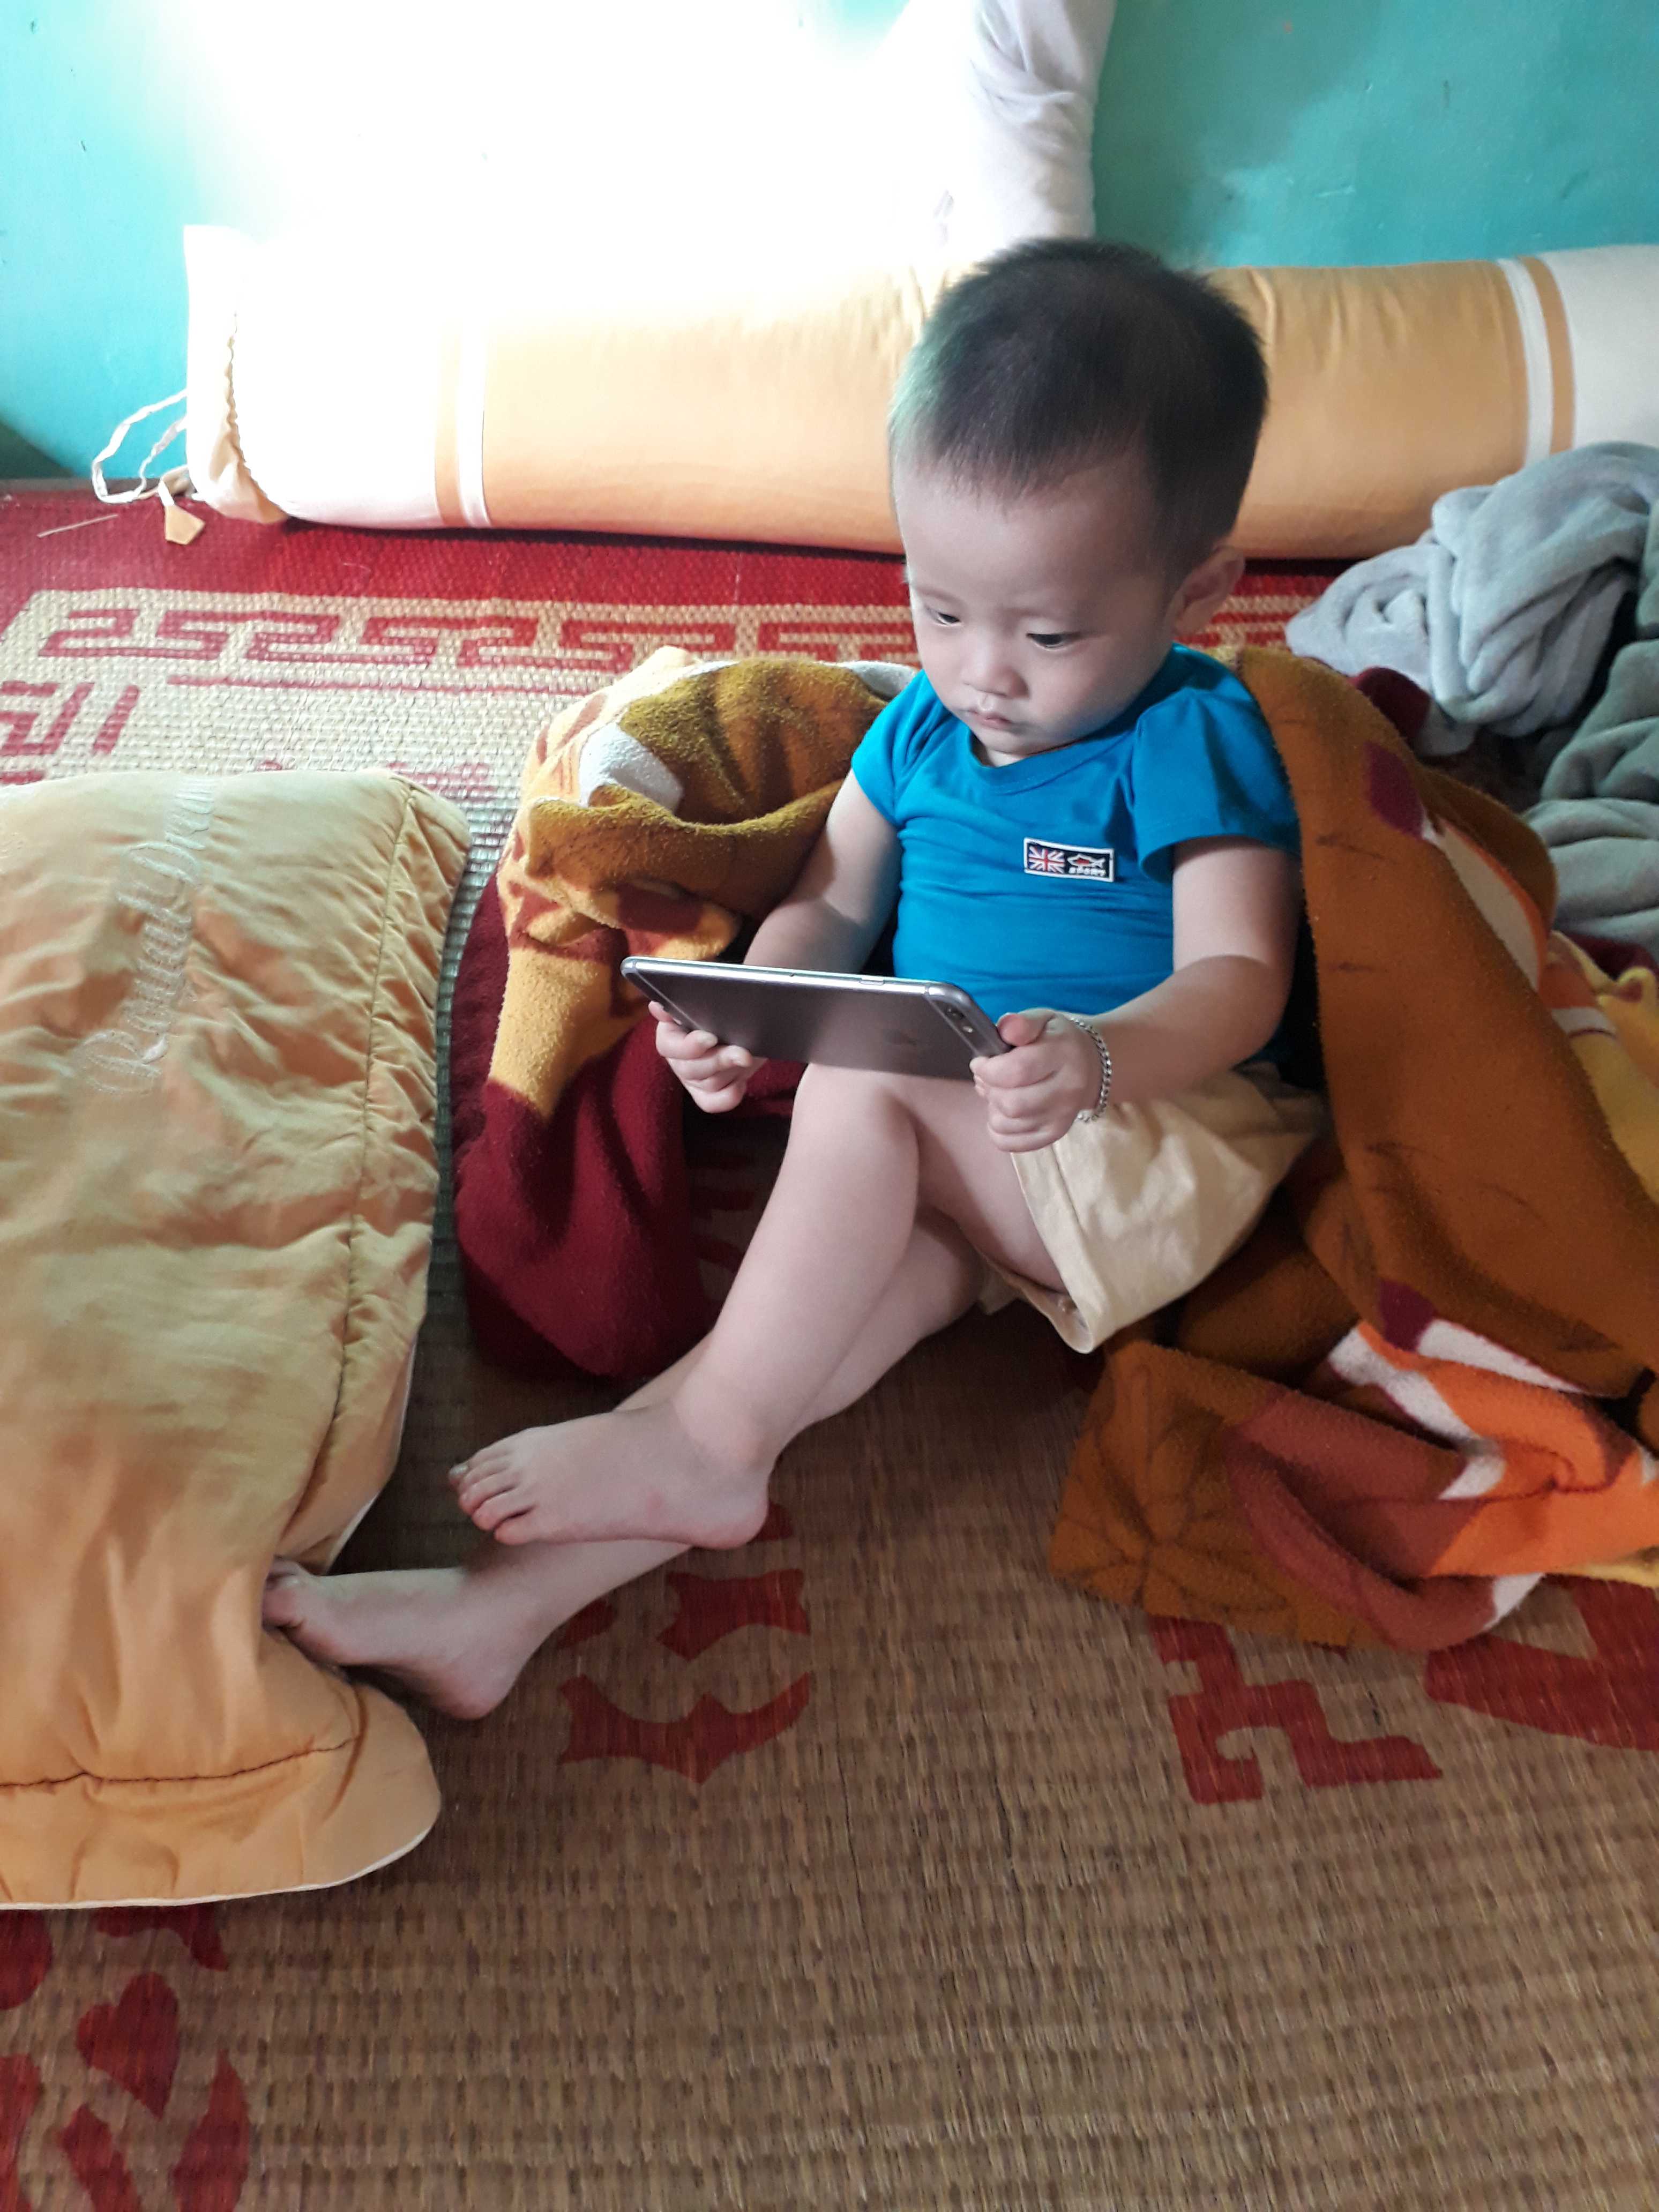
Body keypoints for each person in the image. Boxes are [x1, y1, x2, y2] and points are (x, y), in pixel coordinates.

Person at [263, 240, 1324, 1717]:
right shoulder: (920, 734)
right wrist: (744, 1016)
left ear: (1195, 592)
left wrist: (1098, 1058)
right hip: (976, 1169)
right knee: (771, 1354)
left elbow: (1241, 978)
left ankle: (706, 1452)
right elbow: (829, 902)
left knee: (852, 1114)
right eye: (939, 610)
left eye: (1047, 631)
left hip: (1145, 1139)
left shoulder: (1189, 737)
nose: (984, 671)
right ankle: (497, 1615)